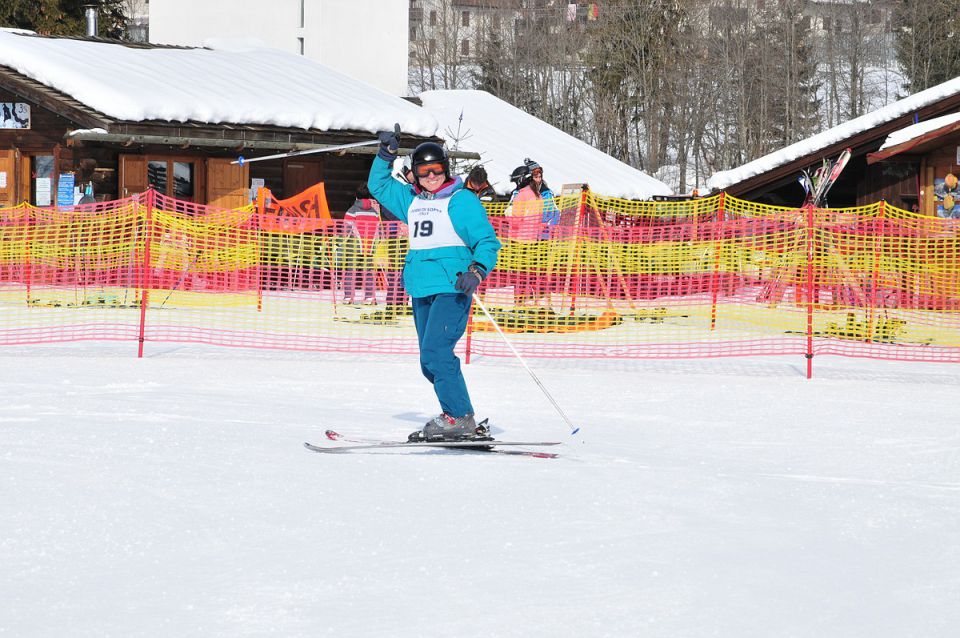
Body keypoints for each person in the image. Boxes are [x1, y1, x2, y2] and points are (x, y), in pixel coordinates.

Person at [368, 127, 501, 441]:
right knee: (429, 362)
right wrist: (385, 155)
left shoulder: (460, 201)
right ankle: (454, 414)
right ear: (414, 173)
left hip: (452, 287)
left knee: (436, 353)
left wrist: (478, 270)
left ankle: (459, 417)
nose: (431, 176)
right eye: (424, 170)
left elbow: (487, 241)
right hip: (422, 288)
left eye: (437, 169)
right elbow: (379, 185)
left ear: (446, 169)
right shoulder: (411, 201)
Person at [342, 185, 382, 304]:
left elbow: (346, 228)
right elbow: (379, 229)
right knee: (369, 271)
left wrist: (343, 241)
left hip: (354, 244)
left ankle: (349, 297)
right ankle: (369, 297)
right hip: (369, 245)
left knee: (351, 271)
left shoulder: (352, 210)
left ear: (356, 197)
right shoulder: (374, 212)